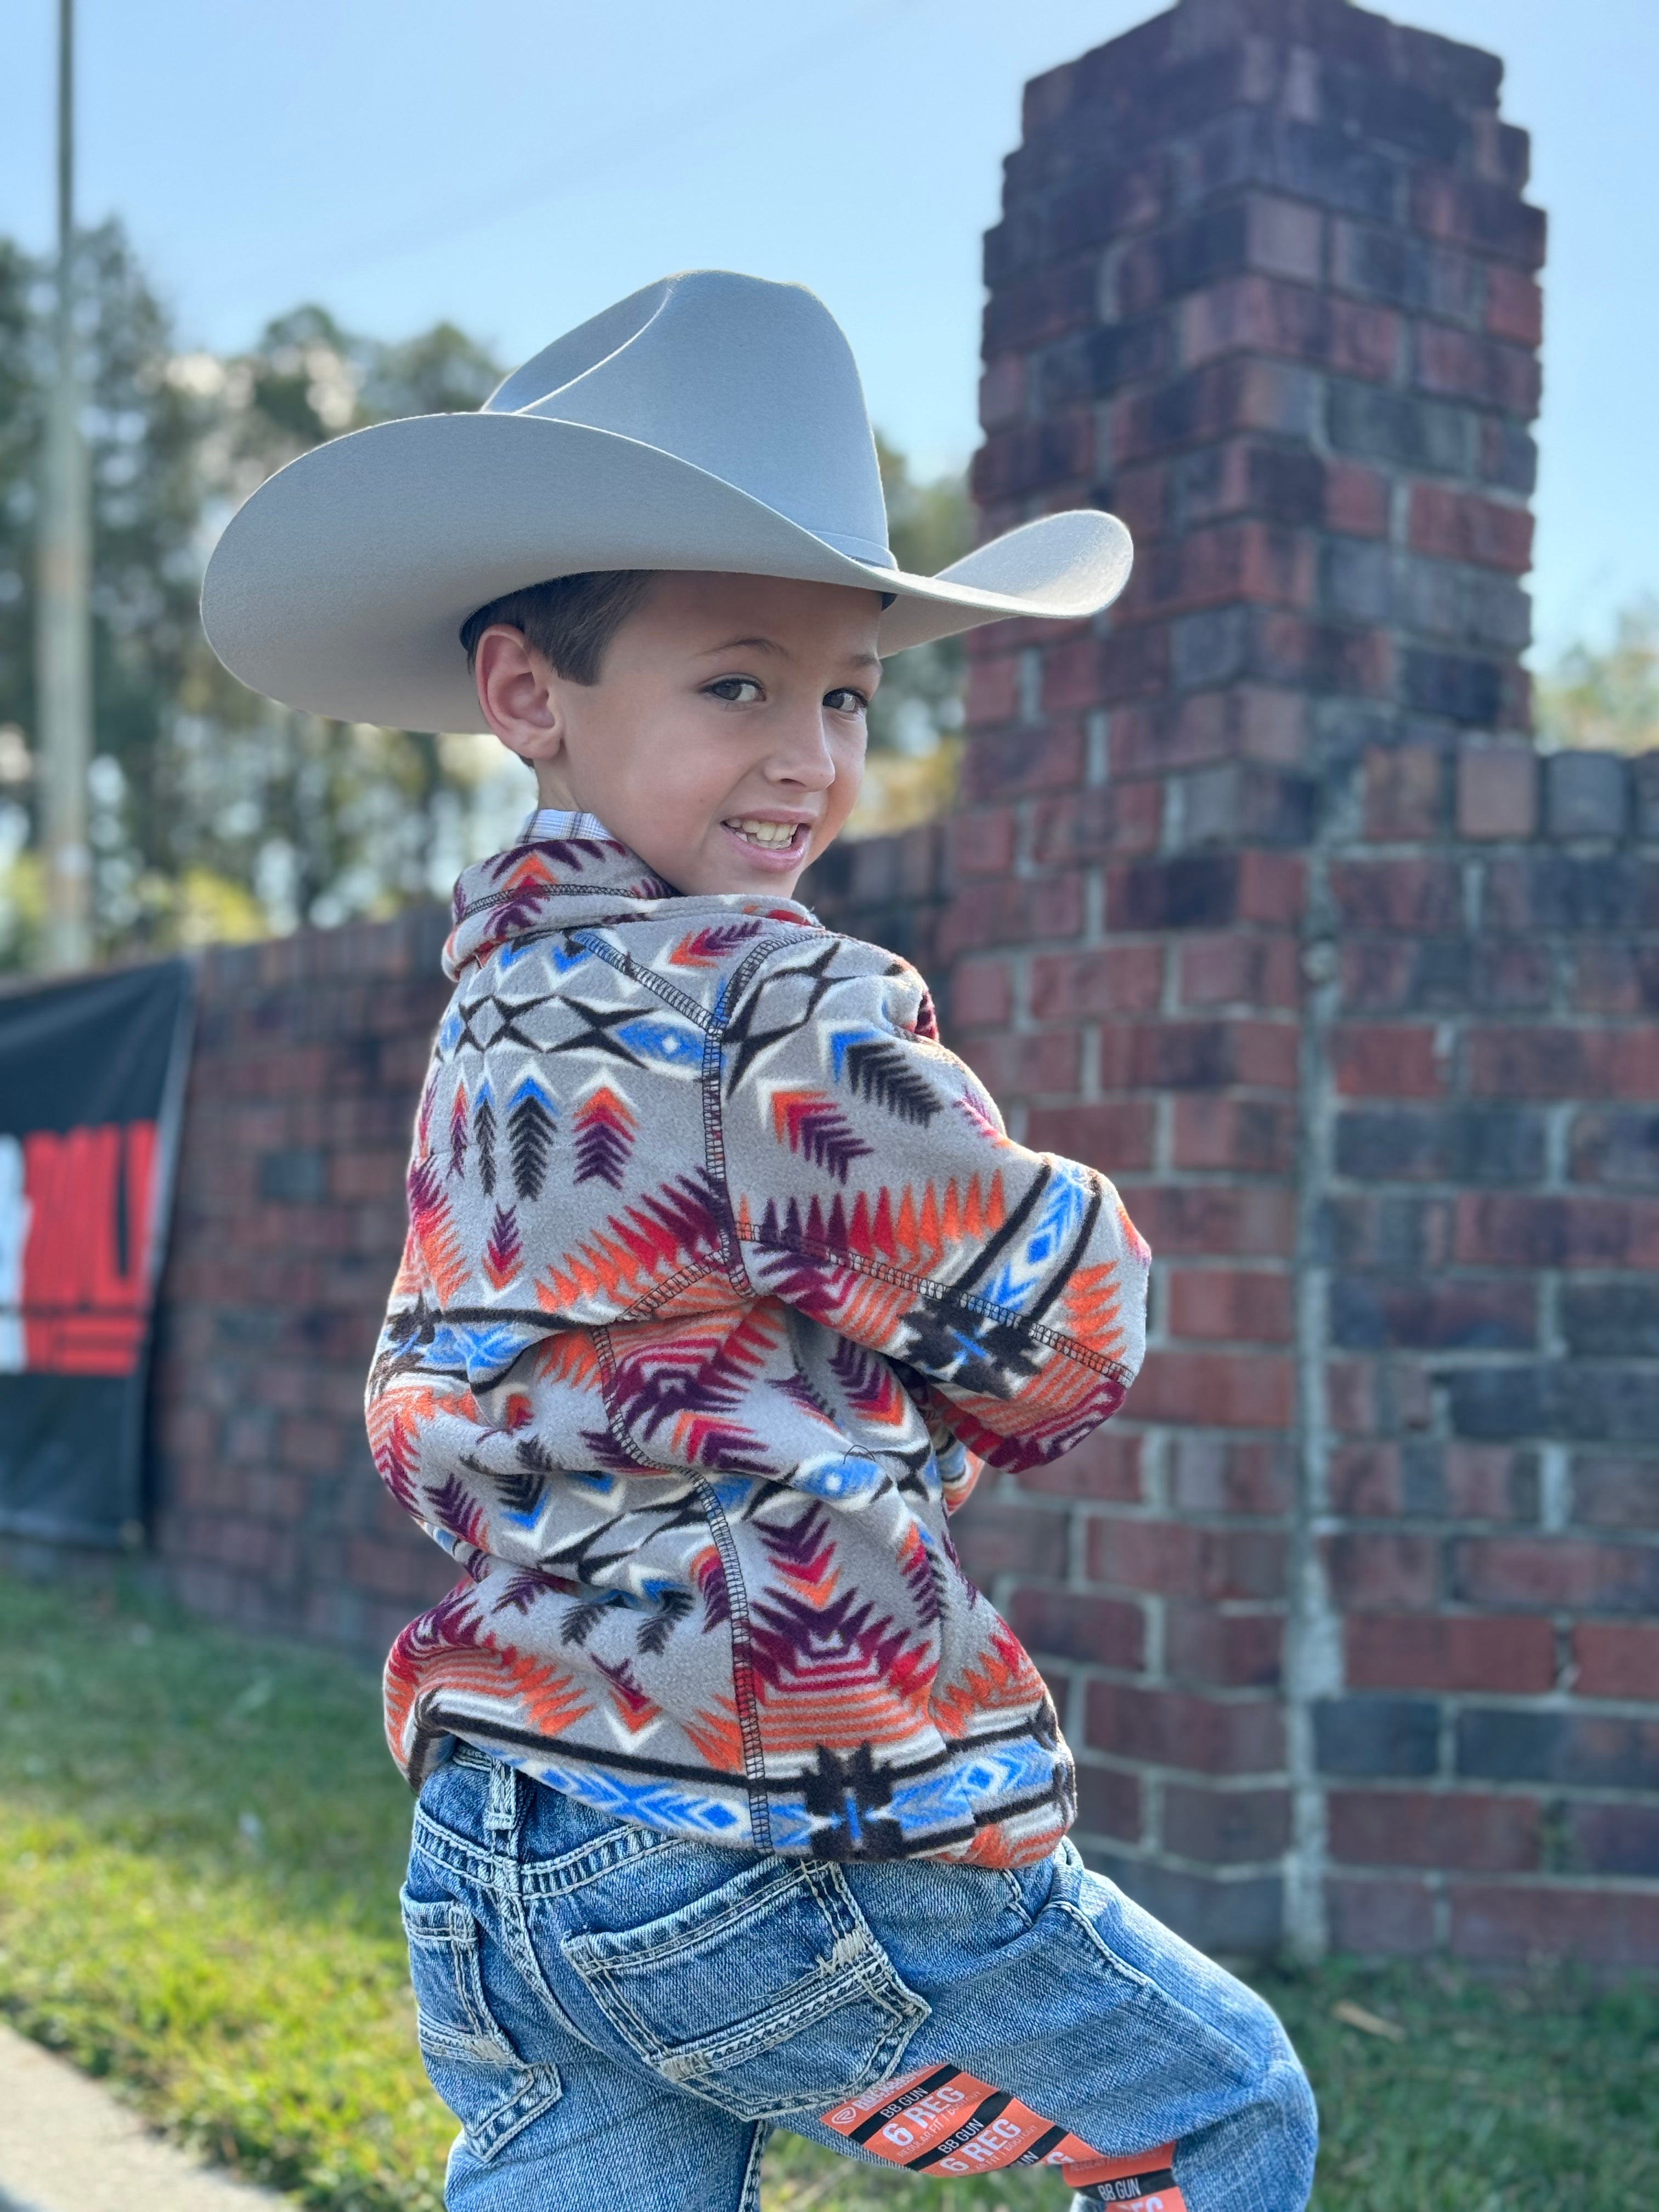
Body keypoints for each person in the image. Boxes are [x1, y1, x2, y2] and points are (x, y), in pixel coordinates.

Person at [203, 270, 1315, 2212]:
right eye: (736, 683)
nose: (807, 753)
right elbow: (1061, 1335)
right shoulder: (773, 1007)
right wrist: (1068, 1248)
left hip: (505, 1833)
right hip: (758, 1815)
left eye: (845, 693)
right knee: (1221, 2114)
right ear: (530, 692)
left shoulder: (488, 1012)